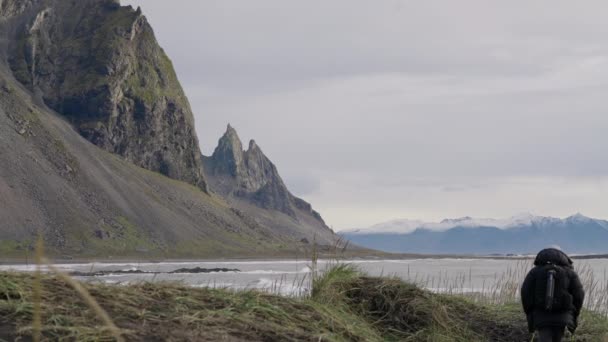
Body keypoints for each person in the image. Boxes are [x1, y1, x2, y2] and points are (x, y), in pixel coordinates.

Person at [521, 247, 585, 342]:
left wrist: (530, 311)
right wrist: (574, 312)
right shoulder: (570, 273)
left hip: (541, 316)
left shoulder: (534, 272)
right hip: (563, 316)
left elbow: (525, 292)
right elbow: (579, 295)